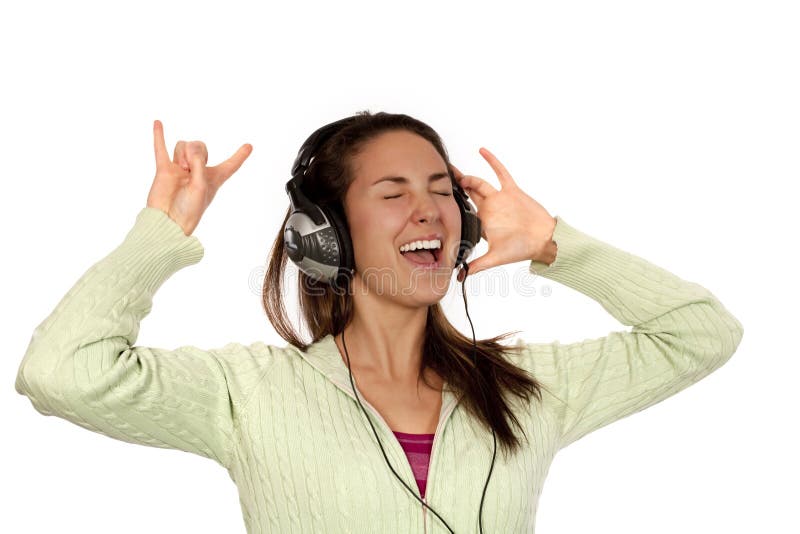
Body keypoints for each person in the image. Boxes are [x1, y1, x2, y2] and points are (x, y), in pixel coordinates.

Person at [15, 111, 744, 533]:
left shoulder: (528, 386)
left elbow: (703, 334)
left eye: (440, 192)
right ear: (323, 233)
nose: (428, 210)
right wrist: (161, 233)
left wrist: (557, 243)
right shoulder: (245, 392)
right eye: (393, 194)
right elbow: (59, 374)